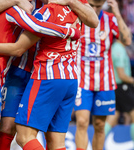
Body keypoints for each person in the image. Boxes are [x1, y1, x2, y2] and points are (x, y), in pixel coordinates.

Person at [0, 0, 99, 149]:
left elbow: (93, 20)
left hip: (44, 75)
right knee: (8, 127)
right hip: (22, 73)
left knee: (30, 136)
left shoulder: (51, 9)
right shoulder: (46, 8)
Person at [74, 0, 132, 150]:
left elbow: (127, 41)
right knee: (82, 122)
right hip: (82, 80)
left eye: (97, 7)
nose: (93, 9)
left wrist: (117, 14)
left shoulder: (110, 19)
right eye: (91, 5)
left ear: (103, 5)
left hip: (104, 82)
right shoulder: (77, 17)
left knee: (100, 125)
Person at [105, 39, 134, 145]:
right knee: (133, 114)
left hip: (116, 87)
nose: (129, 37)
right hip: (122, 87)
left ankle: (97, 142)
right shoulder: (118, 50)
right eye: (127, 34)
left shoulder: (115, 48)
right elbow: (121, 75)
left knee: (113, 115)